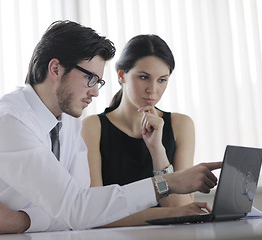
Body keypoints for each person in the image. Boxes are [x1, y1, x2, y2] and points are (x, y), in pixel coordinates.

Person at [0, 21, 221, 237]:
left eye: (98, 83)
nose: (96, 94)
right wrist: (167, 183)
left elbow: (81, 210)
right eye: (90, 79)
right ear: (55, 69)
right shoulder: (8, 122)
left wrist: (21, 220)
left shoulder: (69, 123)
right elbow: (77, 208)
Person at [81, 34, 195, 227]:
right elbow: (96, 214)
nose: (153, 89)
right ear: (121, 75)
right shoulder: (93, 127)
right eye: (144, 77)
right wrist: (168, 214)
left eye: (162, 80)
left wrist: (157, 150)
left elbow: (180, 207)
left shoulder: (180, 125)